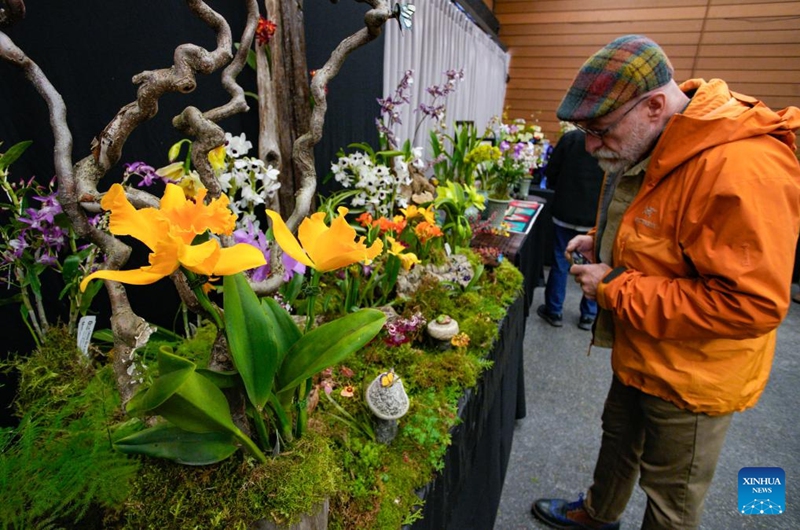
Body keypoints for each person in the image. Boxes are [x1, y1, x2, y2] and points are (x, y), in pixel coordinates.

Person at [530, 34, 800, 530]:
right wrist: (604, 241)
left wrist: (614, 288)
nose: (590, 145)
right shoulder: (666, 136)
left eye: (600, 130)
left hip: (694, 377)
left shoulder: (745, 167)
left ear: (654, 104)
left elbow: (751, 304)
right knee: (618, 442)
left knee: (671, 500)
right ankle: (598, 511)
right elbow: (661, 225)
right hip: (643, 349)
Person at [537, 126, 604, 330]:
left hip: (565, 211)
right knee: (592, 263)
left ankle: (554, 310)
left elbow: (551, 171)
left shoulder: (571, 139)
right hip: (593, 217)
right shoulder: (609, 139)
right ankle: (588, 314)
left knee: (560, 262)